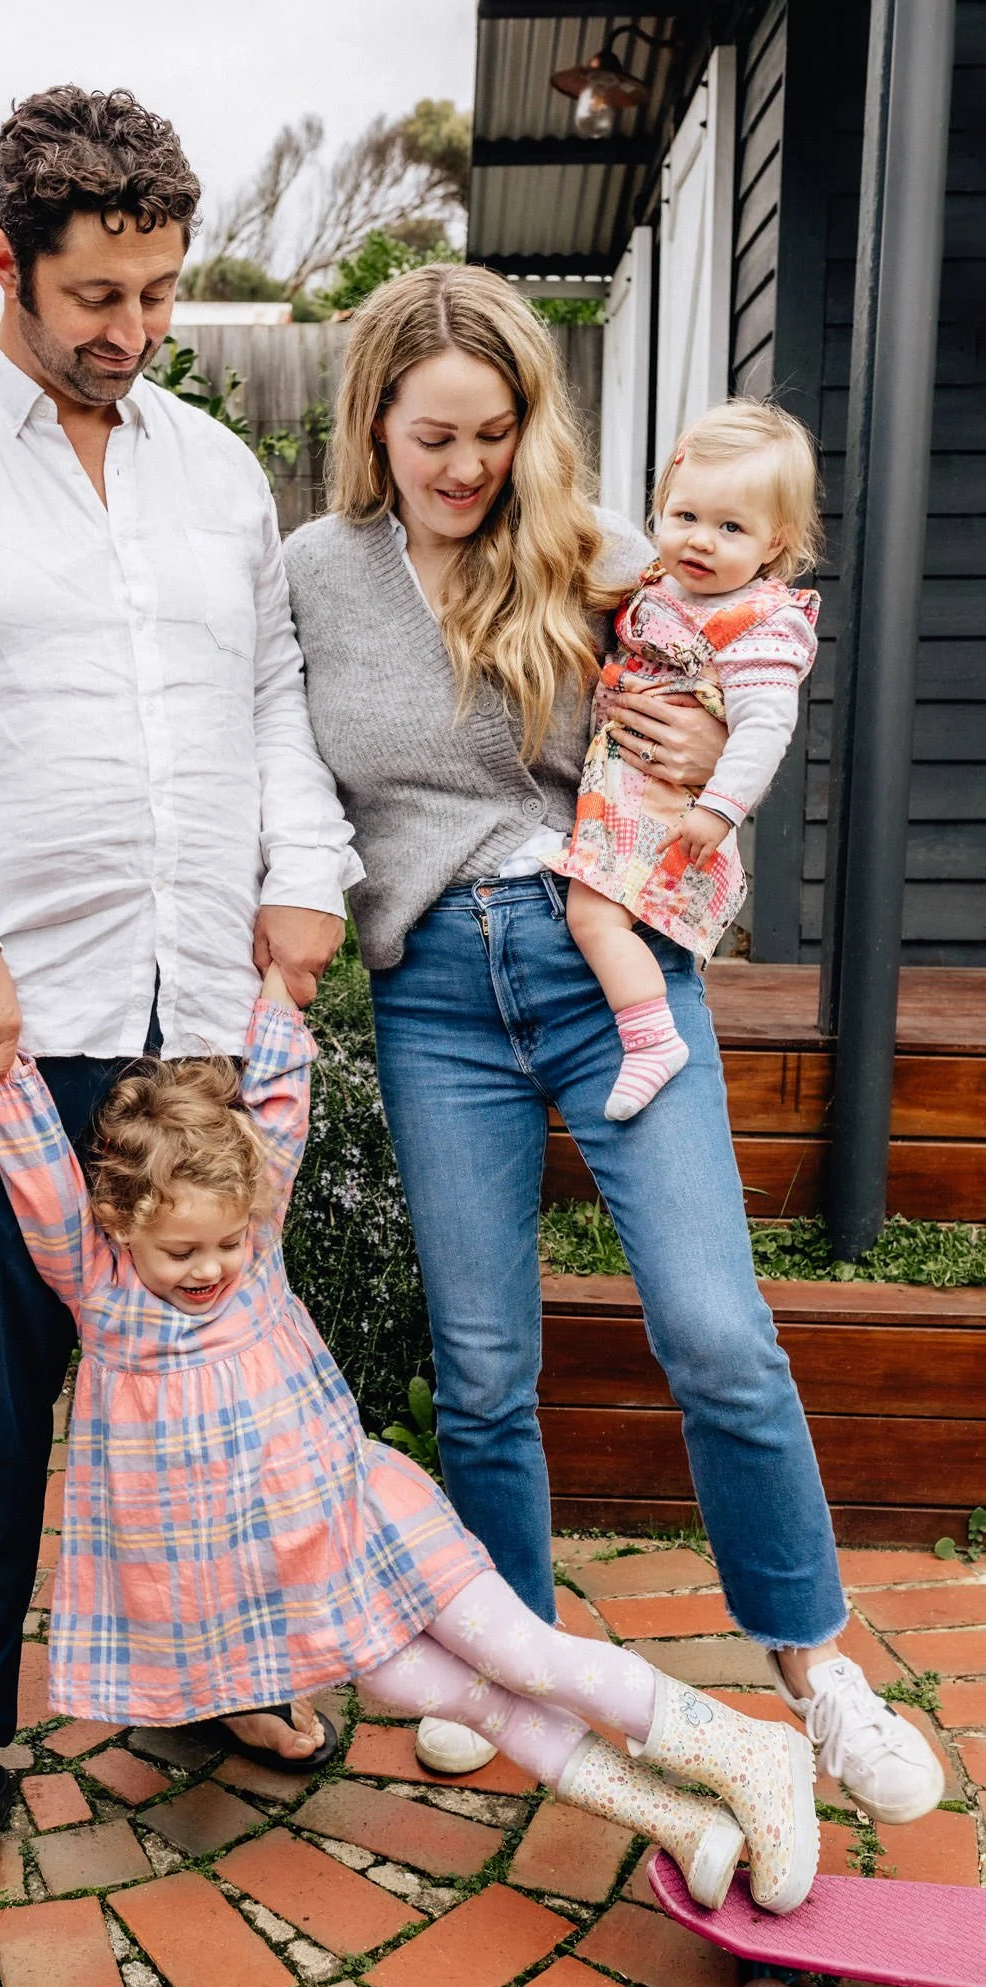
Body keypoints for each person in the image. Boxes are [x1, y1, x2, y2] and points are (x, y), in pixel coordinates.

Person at [0, 85, 360, 1928]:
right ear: (5, 260)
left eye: (163, 291)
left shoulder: (212, 469)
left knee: (210, 1380)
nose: (136, 329)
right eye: (100, 293)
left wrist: (302, 873)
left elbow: (269, 700)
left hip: (193, 1012)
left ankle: (224, 1658)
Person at [283, 263, 943, 1817]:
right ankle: (519, 1663)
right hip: (434, 991)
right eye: (433, 434)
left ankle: (816, 1668)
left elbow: (744, 666)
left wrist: (714, 744)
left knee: (716, 1332)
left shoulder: (601, 556)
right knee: (488, 1362)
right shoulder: (313, 569)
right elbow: (281, 764)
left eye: (495, 433)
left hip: (612, 965)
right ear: (372, 418)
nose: (464, 468)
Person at [0, 960, 822, 1920]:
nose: (210, 1267)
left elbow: (281, 1097)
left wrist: (279, 989)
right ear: (119, 1222)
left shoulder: (258, 1246)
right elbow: (35, 1168)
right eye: (182, 1251)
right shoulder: (101, 1289)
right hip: (286, 1575)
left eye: (227, 1242)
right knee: (463, 1702)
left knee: (521, 1654)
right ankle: (678, 1821)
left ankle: (748, 1751)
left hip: (362, 1514)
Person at [549, 400, 823, 1121]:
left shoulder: (760, 627)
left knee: (592, 917)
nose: (700, 541)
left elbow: (764, 728)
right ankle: (644, 1033)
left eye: (731, 527)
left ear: (774, 543)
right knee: (603, 918)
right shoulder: (655, 591)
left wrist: (718, 807)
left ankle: (650, 1041)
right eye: (684, 516)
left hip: (672, 812)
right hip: (619, 794)